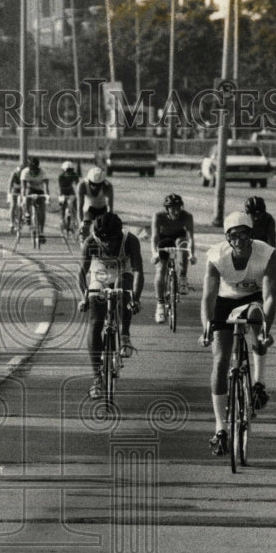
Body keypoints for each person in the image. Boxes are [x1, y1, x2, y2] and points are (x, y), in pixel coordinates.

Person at [199, 211, 276, 456]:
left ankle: (259, 383)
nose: (239, 241)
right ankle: (220, 428)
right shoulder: (216, 256)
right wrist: (206, 328)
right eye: (233, 236)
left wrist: (266, 330)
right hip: (225, 300)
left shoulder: (267, 255)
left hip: (254, 298)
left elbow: (269, 297)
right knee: (221, 361)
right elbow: (208, 297)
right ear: (227, 238)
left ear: (251, 236)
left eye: (244, 234)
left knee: (257, 332)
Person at [77, 212, 144, 400]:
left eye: (112, 240)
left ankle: (124, 336)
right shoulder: (90, 242)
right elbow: (81, 274)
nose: (108, 244)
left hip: (123, 269)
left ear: (119, 234)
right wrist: (84, 297)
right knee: (95, 322)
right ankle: (97, 378)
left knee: (124, 289)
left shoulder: (130, 240)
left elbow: (138, 272)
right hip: (100, 272)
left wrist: (135, 299)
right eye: (103, 240)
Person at [151, 193, 197, 323]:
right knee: (161, 269)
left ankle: (182, 278)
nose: (176, 211)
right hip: (163, 239)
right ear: (167, 209)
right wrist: (155, 253)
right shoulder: (158, 216)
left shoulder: (187, 216)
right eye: (173, 208)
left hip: (179, 237)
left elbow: (191, 237)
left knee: (183, 244)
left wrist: (192, 255)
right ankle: (160, 305)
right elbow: (154, 236)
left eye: (178, 207)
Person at [76, 166, 114, 242]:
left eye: (98, 185)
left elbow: (110, 207)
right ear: (88, 181)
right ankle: (84, 242)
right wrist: (81, 223)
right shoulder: (82, 185)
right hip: (88, 208)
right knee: (85, 225)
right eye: (92, 184)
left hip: (102, 208)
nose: (95, 187)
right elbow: (80, 207)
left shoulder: (108, 186)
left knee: (106, 228)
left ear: (103, 183)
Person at [20, 157, 51, 243]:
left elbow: (46, 187)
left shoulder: (43, 172)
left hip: (40, 191)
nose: (33, 171)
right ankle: (27, 214)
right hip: (30, 189)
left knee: (42, 211)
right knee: (27, 197)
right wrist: (23, 198)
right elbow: (23, 188)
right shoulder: (25, 172)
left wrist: (47, 196)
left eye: (35, 169)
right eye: (31, 169)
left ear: (38, 168)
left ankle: (41, 232)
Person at [56, 160, 80, 230]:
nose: (69, 172)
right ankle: (62, 218)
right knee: (62, 205)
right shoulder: (61, 176)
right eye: (68, 170)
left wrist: (78, 193)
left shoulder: (74, 174)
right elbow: (60, 187)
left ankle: (75, 217)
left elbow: (78, 185)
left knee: (74, 202)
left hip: (70, 190)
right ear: (64, 170)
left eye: (71, 170)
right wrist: (62, 197)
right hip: (62, 191)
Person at [7, 158, 29, 233]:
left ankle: (22, 218)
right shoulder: (15, 172)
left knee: (22, 205)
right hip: (15, 190)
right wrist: (9, 193)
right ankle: (11, 223)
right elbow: (10, 183)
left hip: (22, 190)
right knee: (13, 206)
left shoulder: (28, 173)